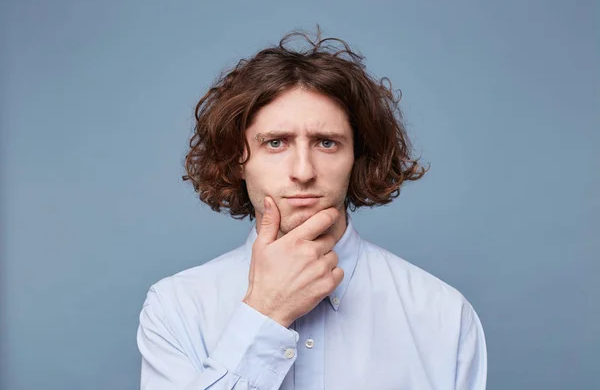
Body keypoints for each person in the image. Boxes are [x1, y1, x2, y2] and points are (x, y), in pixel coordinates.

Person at [136, 27, 487, 390]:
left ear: (357, 157)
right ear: (238, 158)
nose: (303, 171)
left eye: (326, 143)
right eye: (275, 143)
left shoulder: (443, 314)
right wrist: (266, 313)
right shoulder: (176, 307)